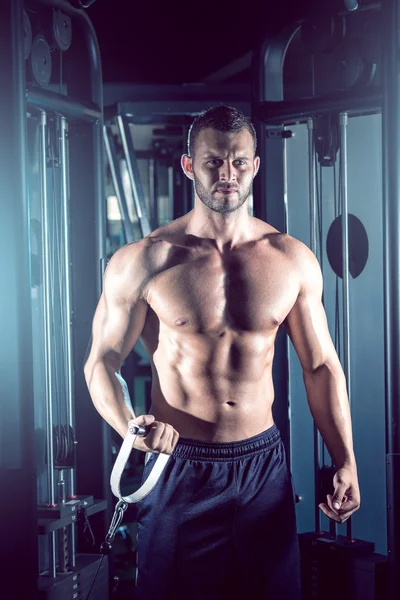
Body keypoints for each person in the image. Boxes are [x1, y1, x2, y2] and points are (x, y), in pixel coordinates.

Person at [84, 105, 360, 600]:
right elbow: (101, 362)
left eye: (238, 162)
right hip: (179, 466)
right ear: (189, 166)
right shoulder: (146, 260)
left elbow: (320, 366)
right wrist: (130, 426)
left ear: (254, 165)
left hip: (262, 469)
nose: (226, 174)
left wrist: (346, 457)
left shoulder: (291, 259)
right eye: (213, 162)